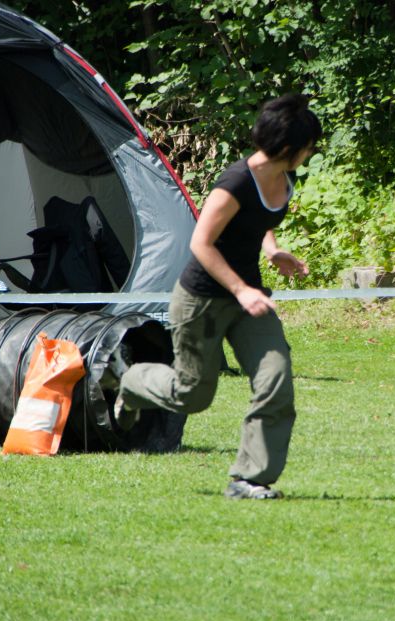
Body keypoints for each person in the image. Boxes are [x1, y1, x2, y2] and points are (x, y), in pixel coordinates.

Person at [115, 94, 322, 500]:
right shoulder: (235, 182)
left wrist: (272, 250)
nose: (311, 152)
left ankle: (250, 478)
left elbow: (259, 221)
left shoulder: (285, 178)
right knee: (192, 395)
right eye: (308, 145)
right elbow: (201, 243)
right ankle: (132, 380)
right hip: (203, 299)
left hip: (249, 301)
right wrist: (241, 288)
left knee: (275, 378)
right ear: (288, 147)